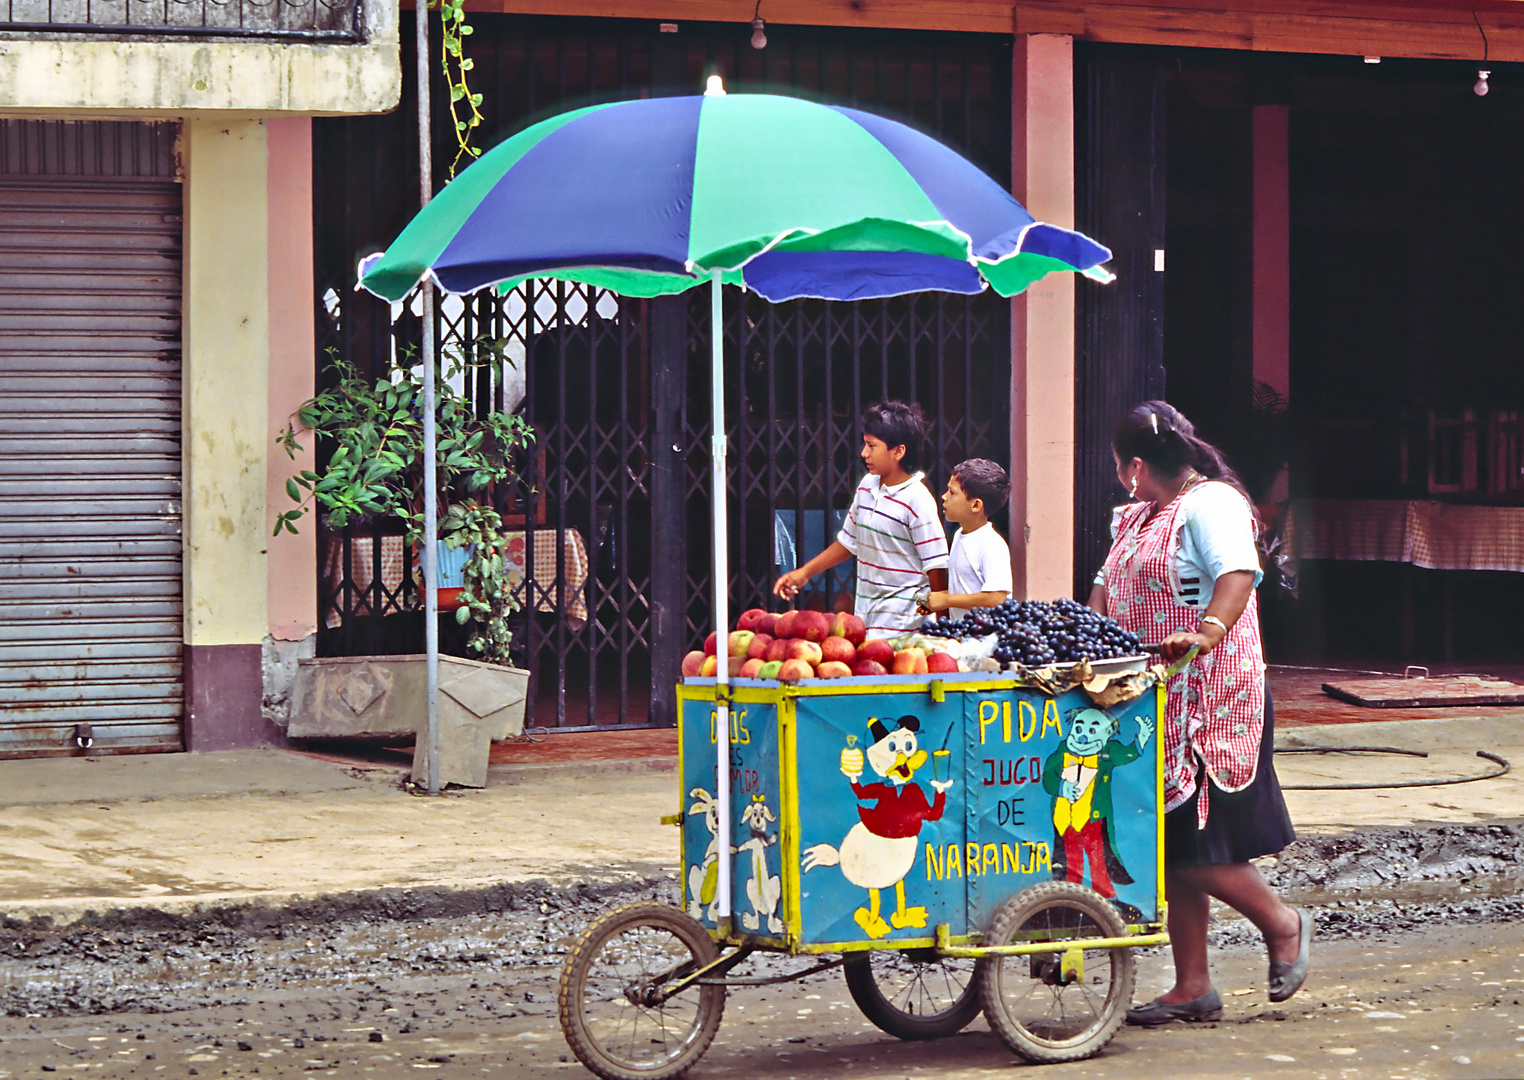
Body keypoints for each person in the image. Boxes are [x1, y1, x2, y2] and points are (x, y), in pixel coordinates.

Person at [1086, 400, 1311, 1025]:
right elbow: (1105, 587)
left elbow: (1240, 573)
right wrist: (1086, 636)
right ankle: (1192, 987)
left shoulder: (1210, 504)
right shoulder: (1136, 517)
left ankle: (1283, 923)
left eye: (1116, 465)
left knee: (1198, 843)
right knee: (1168, 840)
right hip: (1153, 696)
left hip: (1212, 698)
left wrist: (1206, 632)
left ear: (1135, 465)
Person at [773, 401, 948, 638]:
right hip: (867, 621)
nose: (864, 453)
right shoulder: (867, 486)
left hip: (906, 630)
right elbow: (848, 542)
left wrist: (940, 631)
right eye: (865, 444)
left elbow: (936, 569)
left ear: (899, 451)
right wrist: (804, 573)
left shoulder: (918, 500)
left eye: (871, 446)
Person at [923, 458, 1012, 620]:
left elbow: (997, 598)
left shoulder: (991, 544)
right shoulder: (959, 535)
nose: (944, 497)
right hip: (963, 634)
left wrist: (946, 600)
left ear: (976, 505)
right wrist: (931, 600)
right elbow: (965, 591)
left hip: (985, 638)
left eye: (952, 492)